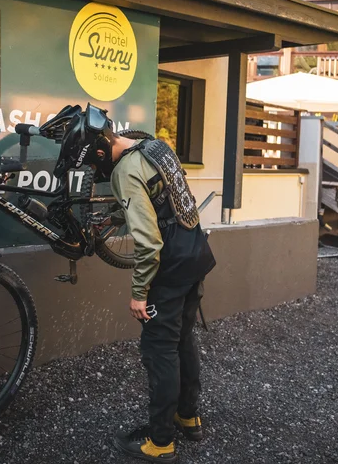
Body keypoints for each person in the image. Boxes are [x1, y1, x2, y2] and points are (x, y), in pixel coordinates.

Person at [51, 103, 216, 463]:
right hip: (196, 252)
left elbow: (150, 241)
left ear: (99, 152)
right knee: (182, 339)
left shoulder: (125, 171)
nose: (94, 171)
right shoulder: (156, 147)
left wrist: (139, 293)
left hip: (169, 266)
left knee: (159, 351)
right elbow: (165, 202)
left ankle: (160, 442)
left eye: (92, 164)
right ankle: (188, 417)